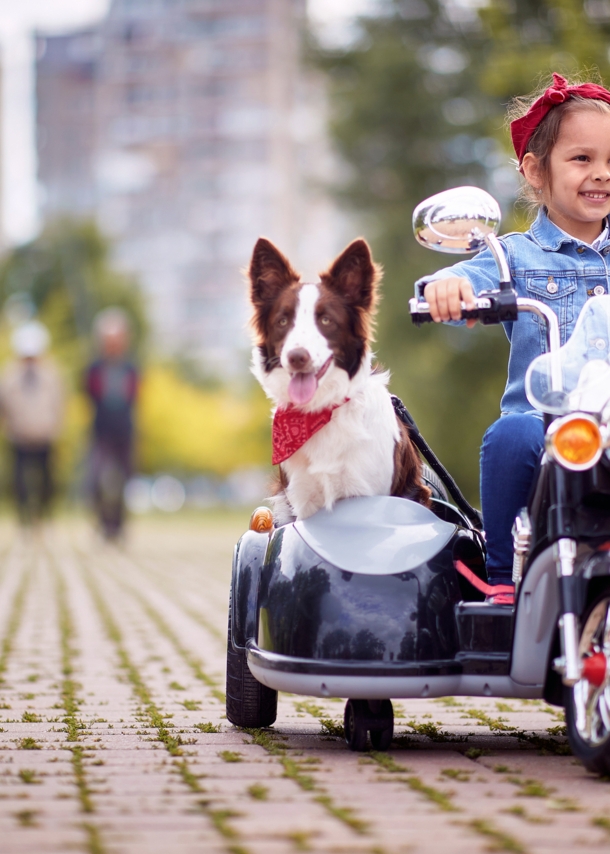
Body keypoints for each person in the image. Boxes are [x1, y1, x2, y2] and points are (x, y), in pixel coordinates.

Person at [416, 72, 610, 601]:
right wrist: (448, 286)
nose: (601, 175)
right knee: (510, 435)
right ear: (534, 170)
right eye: (583, 159)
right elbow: (465, 281)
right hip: (541, 421)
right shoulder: (514, 255)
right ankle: (504, 582)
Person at [0, 321, 65, 523]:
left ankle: (45, 516)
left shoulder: (52, 374)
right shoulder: (9, 375)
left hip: (44, 435)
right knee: (19, 481)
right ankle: (23, 518)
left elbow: (59, 403)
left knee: (47, 481)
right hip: (19, 435)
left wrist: (55, 426)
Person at [86, 308, 138, 538]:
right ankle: (102, 521)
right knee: (96, 478)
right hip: (101, 432)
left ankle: (118, 525)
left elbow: (134, 398)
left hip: (125, 432)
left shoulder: (131, 369)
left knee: (124, 481)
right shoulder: (94, 369)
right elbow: (90, 396)